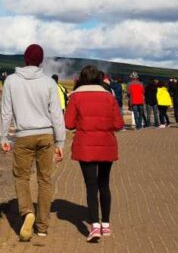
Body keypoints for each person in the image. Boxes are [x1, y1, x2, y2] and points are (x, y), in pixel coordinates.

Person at [0, 44, 66, 241]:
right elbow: (56, 115)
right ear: (41, 61)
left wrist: (3, 137)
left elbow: (6, 112)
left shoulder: (11, 81)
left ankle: (28, 211)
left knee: (21, 177)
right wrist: (60, 142)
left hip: (23, 136)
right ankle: (42, 226)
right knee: (45, 180)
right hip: (46, 136)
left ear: (25, 59)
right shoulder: (49, 83)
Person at [65, 65, 124, 242]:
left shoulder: (76, 96)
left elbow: (68, 123)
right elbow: (119, 124)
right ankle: (106, 224)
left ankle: (95, 226)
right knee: (104, 184)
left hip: (85, 145)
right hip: (106, 144)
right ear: (99, 78)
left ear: (82, 78)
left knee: (91, 185)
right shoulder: (108, 96)